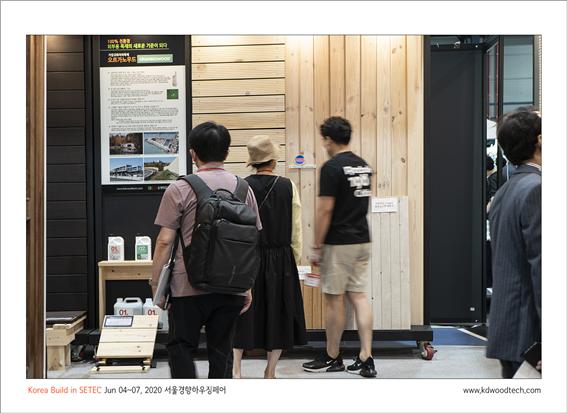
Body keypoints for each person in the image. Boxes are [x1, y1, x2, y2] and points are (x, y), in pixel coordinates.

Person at [151, 122, 262, 379]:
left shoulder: (179, 188)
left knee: (181, 347)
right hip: (231, 286)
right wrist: (247, 287)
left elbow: (165, 241)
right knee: (222, 352)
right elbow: (251, 242)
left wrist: (156, 285)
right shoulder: (244, 189)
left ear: (193, 153)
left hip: (187, 286)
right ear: (227, 152)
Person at [302, 116, 376, 378]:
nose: (324, 144)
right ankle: (366, 356)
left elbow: (325, 210)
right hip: (362, 239)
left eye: (324, 140)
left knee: (334, 300)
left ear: (329, 139)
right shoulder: (363, 165)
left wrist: (317, 245)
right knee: (359, 296)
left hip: (339, 242)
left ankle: (332, 356)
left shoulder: (332, 168)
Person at [232, 135, 307, 379]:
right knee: (279, 313)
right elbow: (296, 228)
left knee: (242, 313)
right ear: (273, 161)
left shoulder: (241, 187)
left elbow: (235, 227)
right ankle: (270, 371)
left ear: (252, 162)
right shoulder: (288, 186)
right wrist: (293, 258)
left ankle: (236, 370)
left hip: (248, 258)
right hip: (281, 258)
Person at [487, 107, 541, 378]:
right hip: (529, 335)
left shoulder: (505, 191)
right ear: (540, 140)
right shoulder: (536, 189)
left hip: (508, 329)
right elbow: (542, 269)